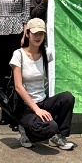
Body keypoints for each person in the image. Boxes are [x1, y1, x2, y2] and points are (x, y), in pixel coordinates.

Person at [11, 17, 76, 150]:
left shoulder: (46, 53)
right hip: (26, 107)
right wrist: (36, 109)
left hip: (43, 101)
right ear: (27, 34)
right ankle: (25, 131)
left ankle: (59, 136)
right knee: (50, 127)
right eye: (35, 33)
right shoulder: (18, 55)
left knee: (67, 98)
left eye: (41, 33)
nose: (38, 37)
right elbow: (18, 86)